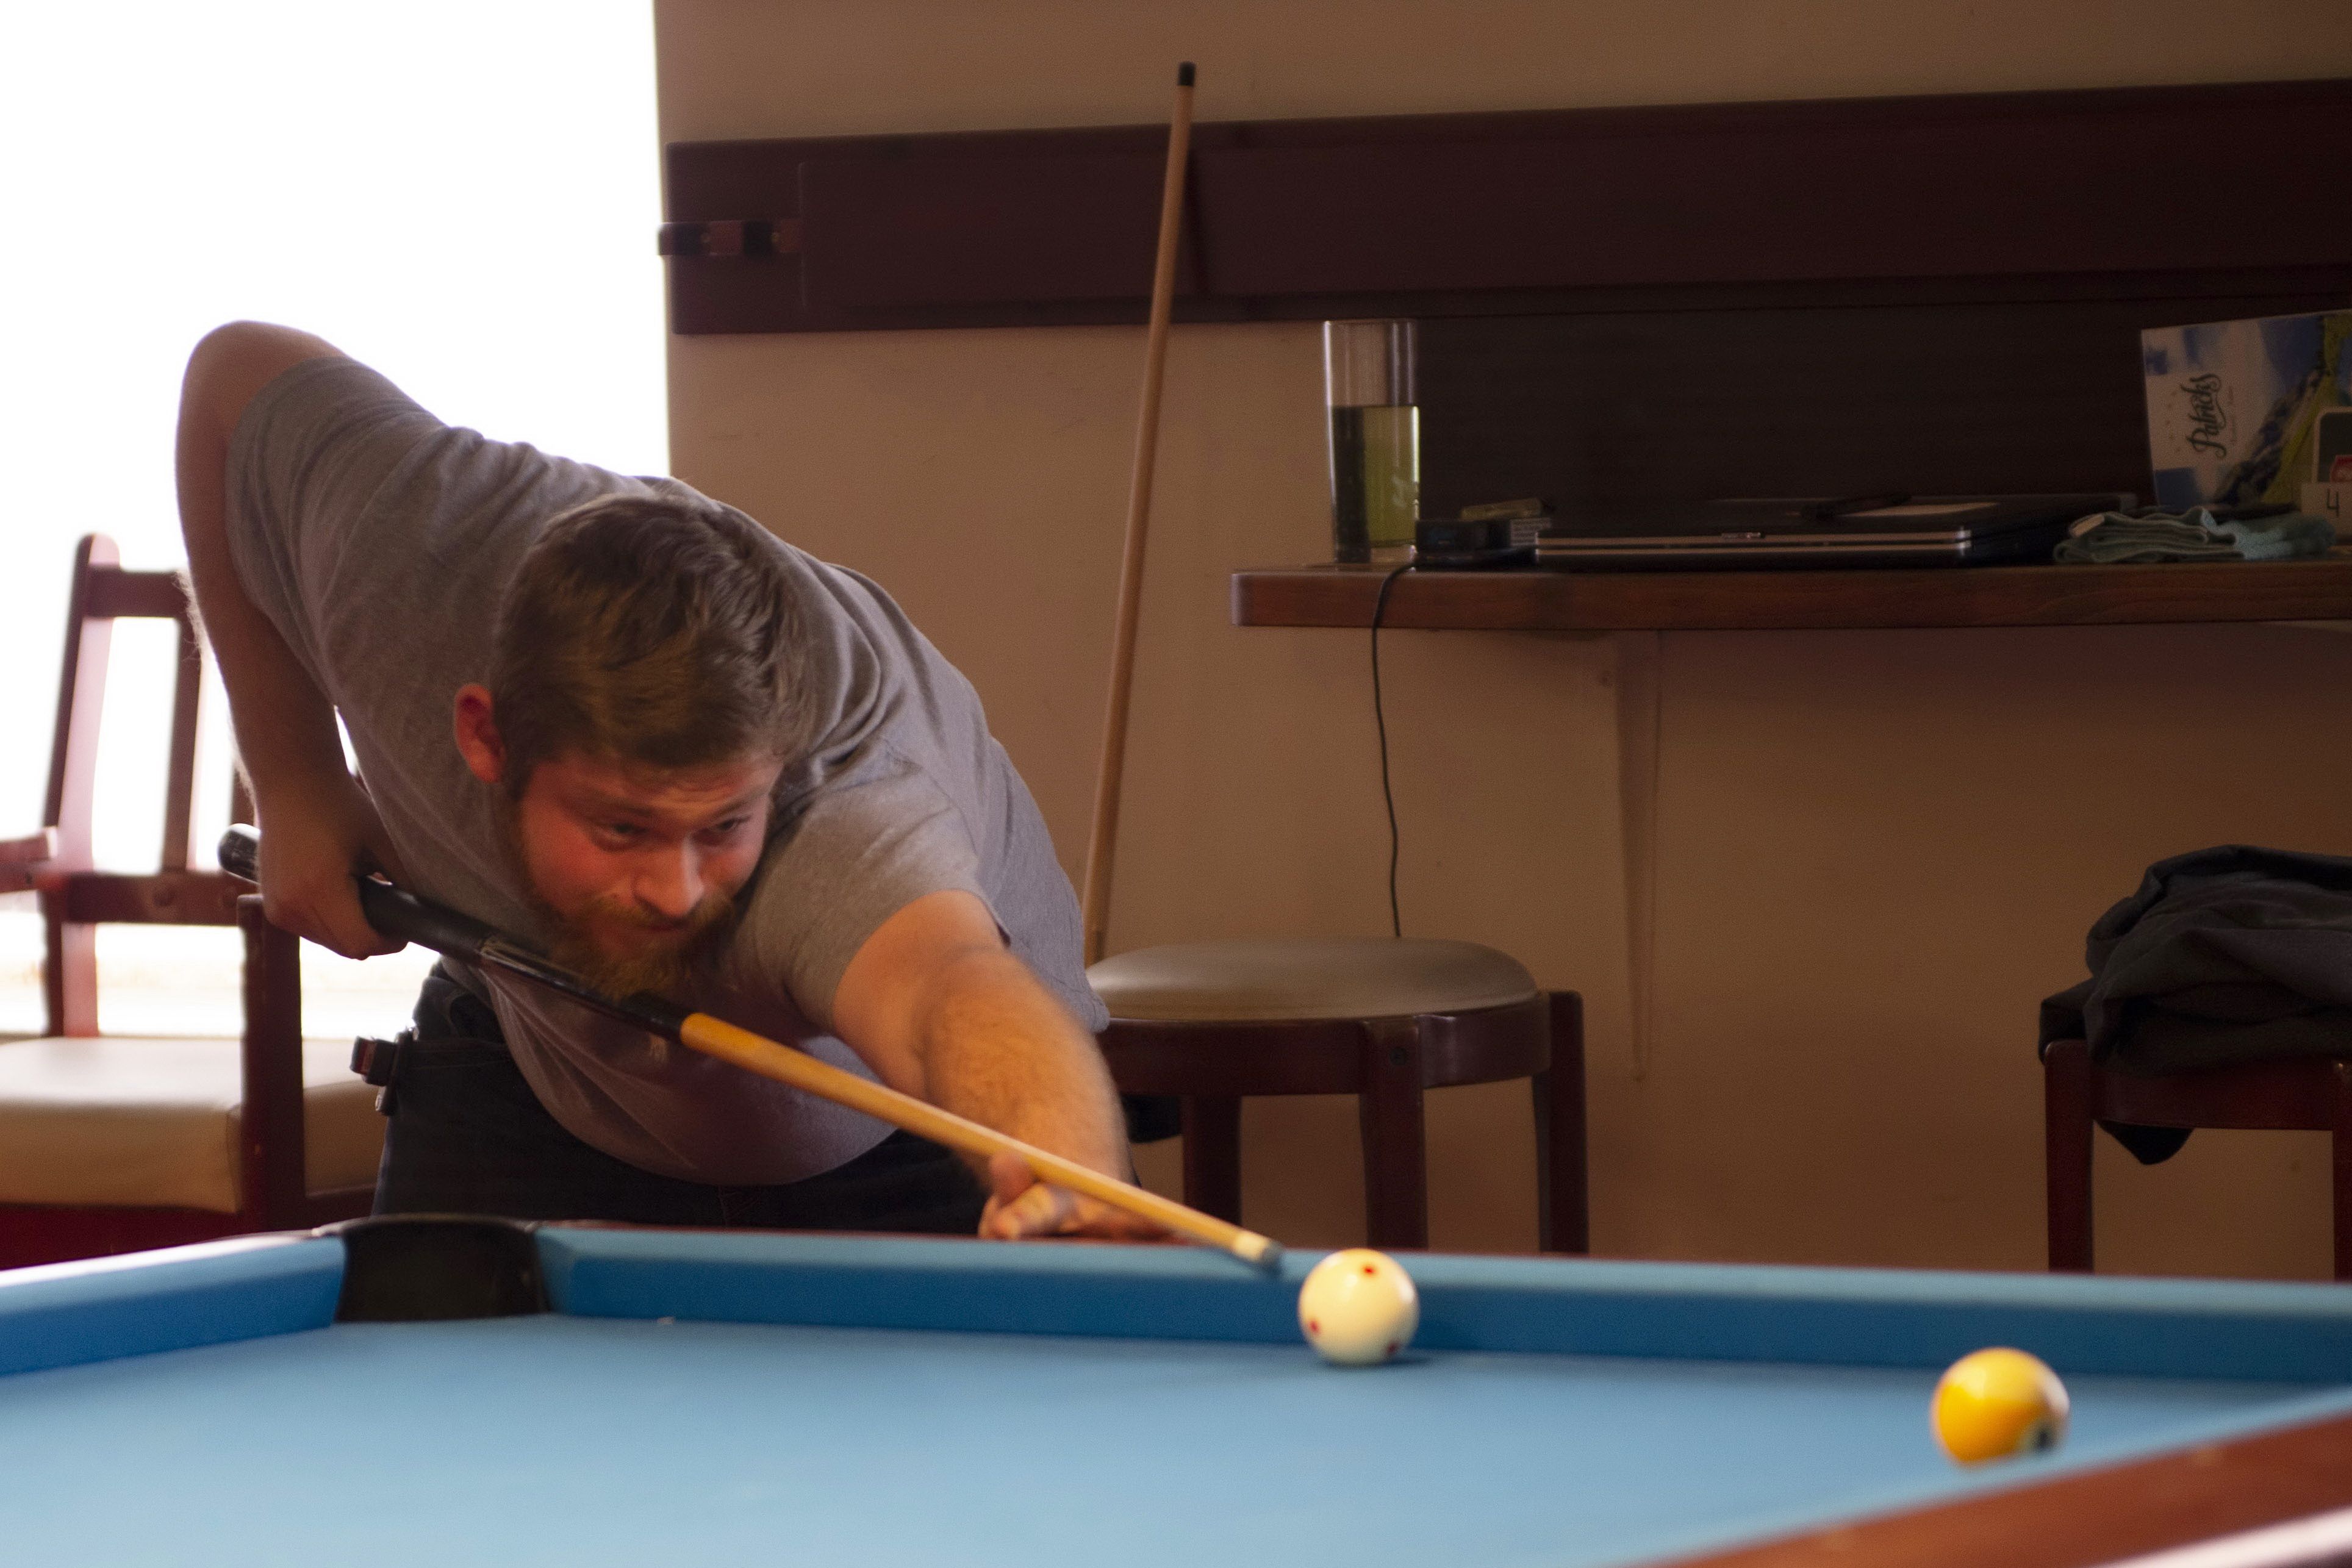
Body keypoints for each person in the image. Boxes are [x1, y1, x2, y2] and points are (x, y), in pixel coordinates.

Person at [176, 320, 1152, 1241]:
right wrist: (294, 781)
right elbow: (232, 375)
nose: (676, 891)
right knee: (412, 1358)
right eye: (622, 829)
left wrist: (1065, 1172)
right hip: (535, 1058)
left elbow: (948, 991)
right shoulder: (405, 548)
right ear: (487, 737)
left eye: (721, 826)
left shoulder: (848, 826)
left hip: (897, 1137)